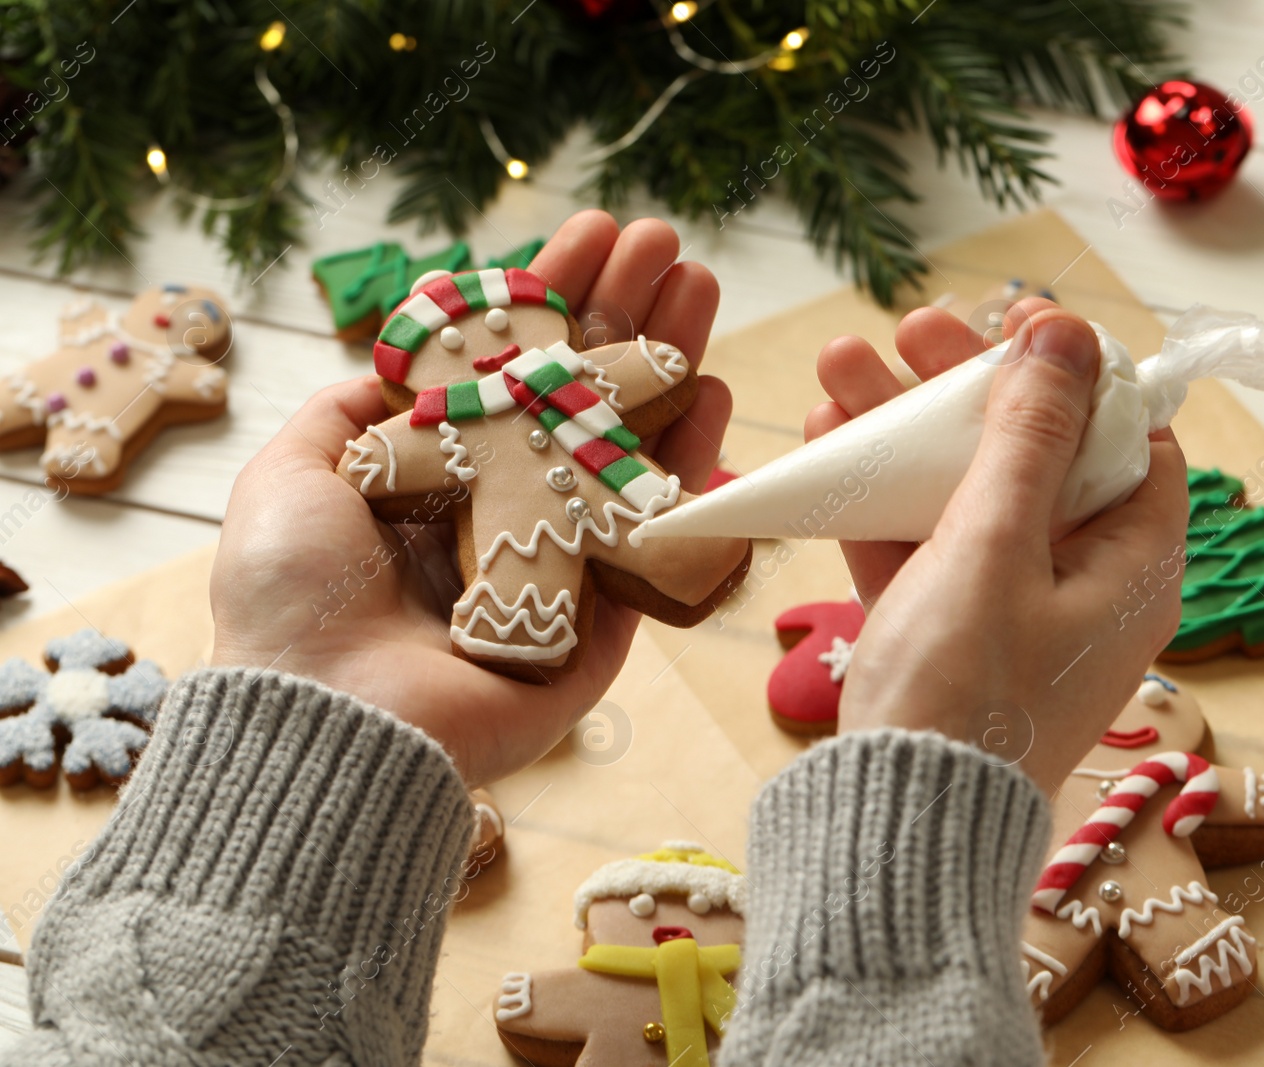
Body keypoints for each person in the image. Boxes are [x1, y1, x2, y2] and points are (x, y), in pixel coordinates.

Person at [2, 211, 1185, 1066]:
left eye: (511, 325)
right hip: (514, 540)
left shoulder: (584, 378)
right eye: (464, 347)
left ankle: (683, 550)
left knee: (661, 530)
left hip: (613, 500)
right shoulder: (456, 428)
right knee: (523, 572)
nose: (497, 350)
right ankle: (538, 601)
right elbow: (398, 456)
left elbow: (160, 1033)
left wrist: (318, 692)